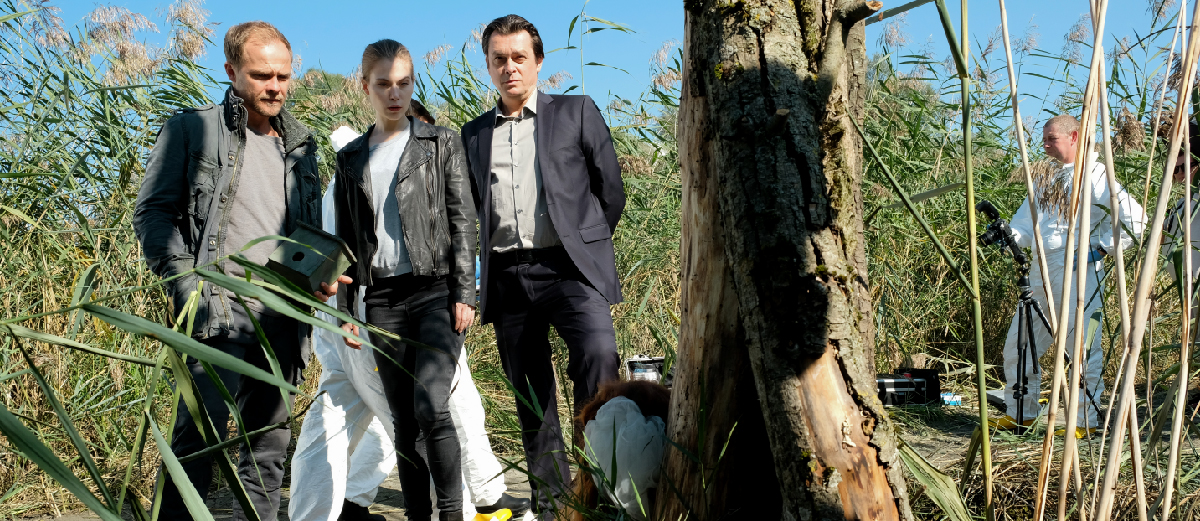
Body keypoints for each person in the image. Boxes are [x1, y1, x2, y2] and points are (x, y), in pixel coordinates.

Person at [133, 21, 348, 520]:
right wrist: (188, 286)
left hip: (283, 318)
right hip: (217, 311)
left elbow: (303, 233)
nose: (275, 87)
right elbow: (153, 214)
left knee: (268, 449)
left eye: (283, 76)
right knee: (198, 442)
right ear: (231, 71)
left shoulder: (302, 146)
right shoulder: (193, 130)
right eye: (261, 75)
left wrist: (320, 278)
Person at [288, 99, 530, 521]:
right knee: (422, 417)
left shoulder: (350, 170)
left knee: (341, 417)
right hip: (380, 311)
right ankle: (462, 507)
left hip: (353, 318)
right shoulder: (362, 172)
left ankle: (336, 506)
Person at [459, 14, 626, 520]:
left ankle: (599, 492)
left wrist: (584, 243)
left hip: (571, 270)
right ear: (489, 65)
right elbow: (467, 211)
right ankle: (553, 508)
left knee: (599, 357)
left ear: (538, 61)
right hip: (508, 276)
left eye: (519, 57)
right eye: (499, 59)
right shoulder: (473, 134)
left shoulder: (576, 112)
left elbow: (610, 190)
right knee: (532, 396)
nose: (509, 67)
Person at [332, 39, 474, 521]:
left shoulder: (441, 142)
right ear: (365, 87)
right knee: (403, 419)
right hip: (382, 299)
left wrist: (464, 292)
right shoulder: (351, 157)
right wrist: (346, 312)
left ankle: (451, 513)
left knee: (430, 403)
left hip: (434, 291)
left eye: (403, 83)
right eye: (384, 85)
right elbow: (347, 242)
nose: (395, 94)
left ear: (413, 84)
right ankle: (417, 515)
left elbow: (462, 220)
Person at [994, 114, 1146, 437]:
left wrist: (1101, 249)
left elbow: (1137, 220)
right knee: (1020, 343)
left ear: (1074, 137)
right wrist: (1008, 236)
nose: (1045, 145)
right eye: (1044, 139)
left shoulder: (1096, 174)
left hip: (1079, 273)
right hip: (1041, 270)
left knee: (1082, 349)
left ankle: (1083, 421)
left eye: (1052, 139)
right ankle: (1021, 414)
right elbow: (1025, 224)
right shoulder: (1045, 177)